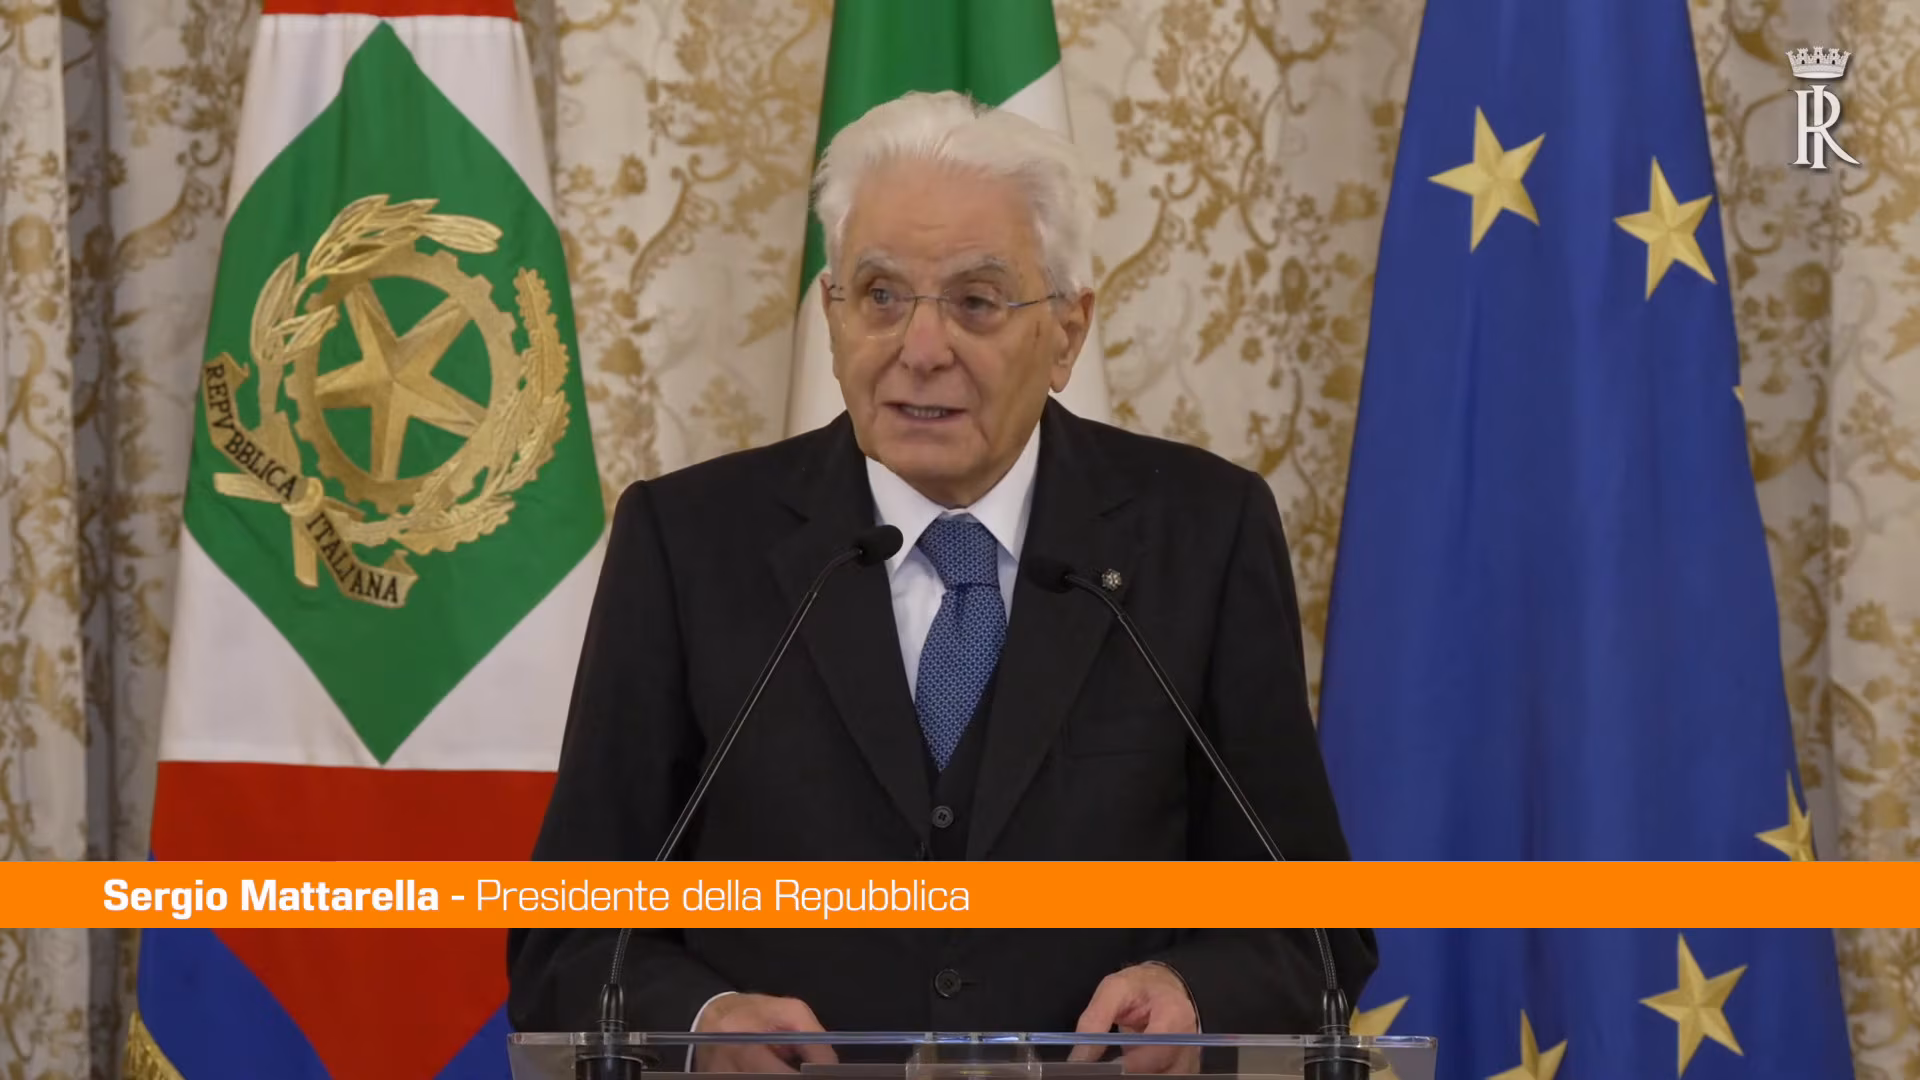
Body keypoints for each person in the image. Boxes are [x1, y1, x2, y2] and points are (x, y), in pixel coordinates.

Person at [506, 90, 1375, 1072]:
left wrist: (1194, 992)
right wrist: (700, 1023)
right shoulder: (690, 541)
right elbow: (567, 935)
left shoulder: (1202, 533)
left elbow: (1315, 928)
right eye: (881, 295)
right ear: (832, 315)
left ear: (1068, 332)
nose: (921, 351)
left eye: (977, 300)